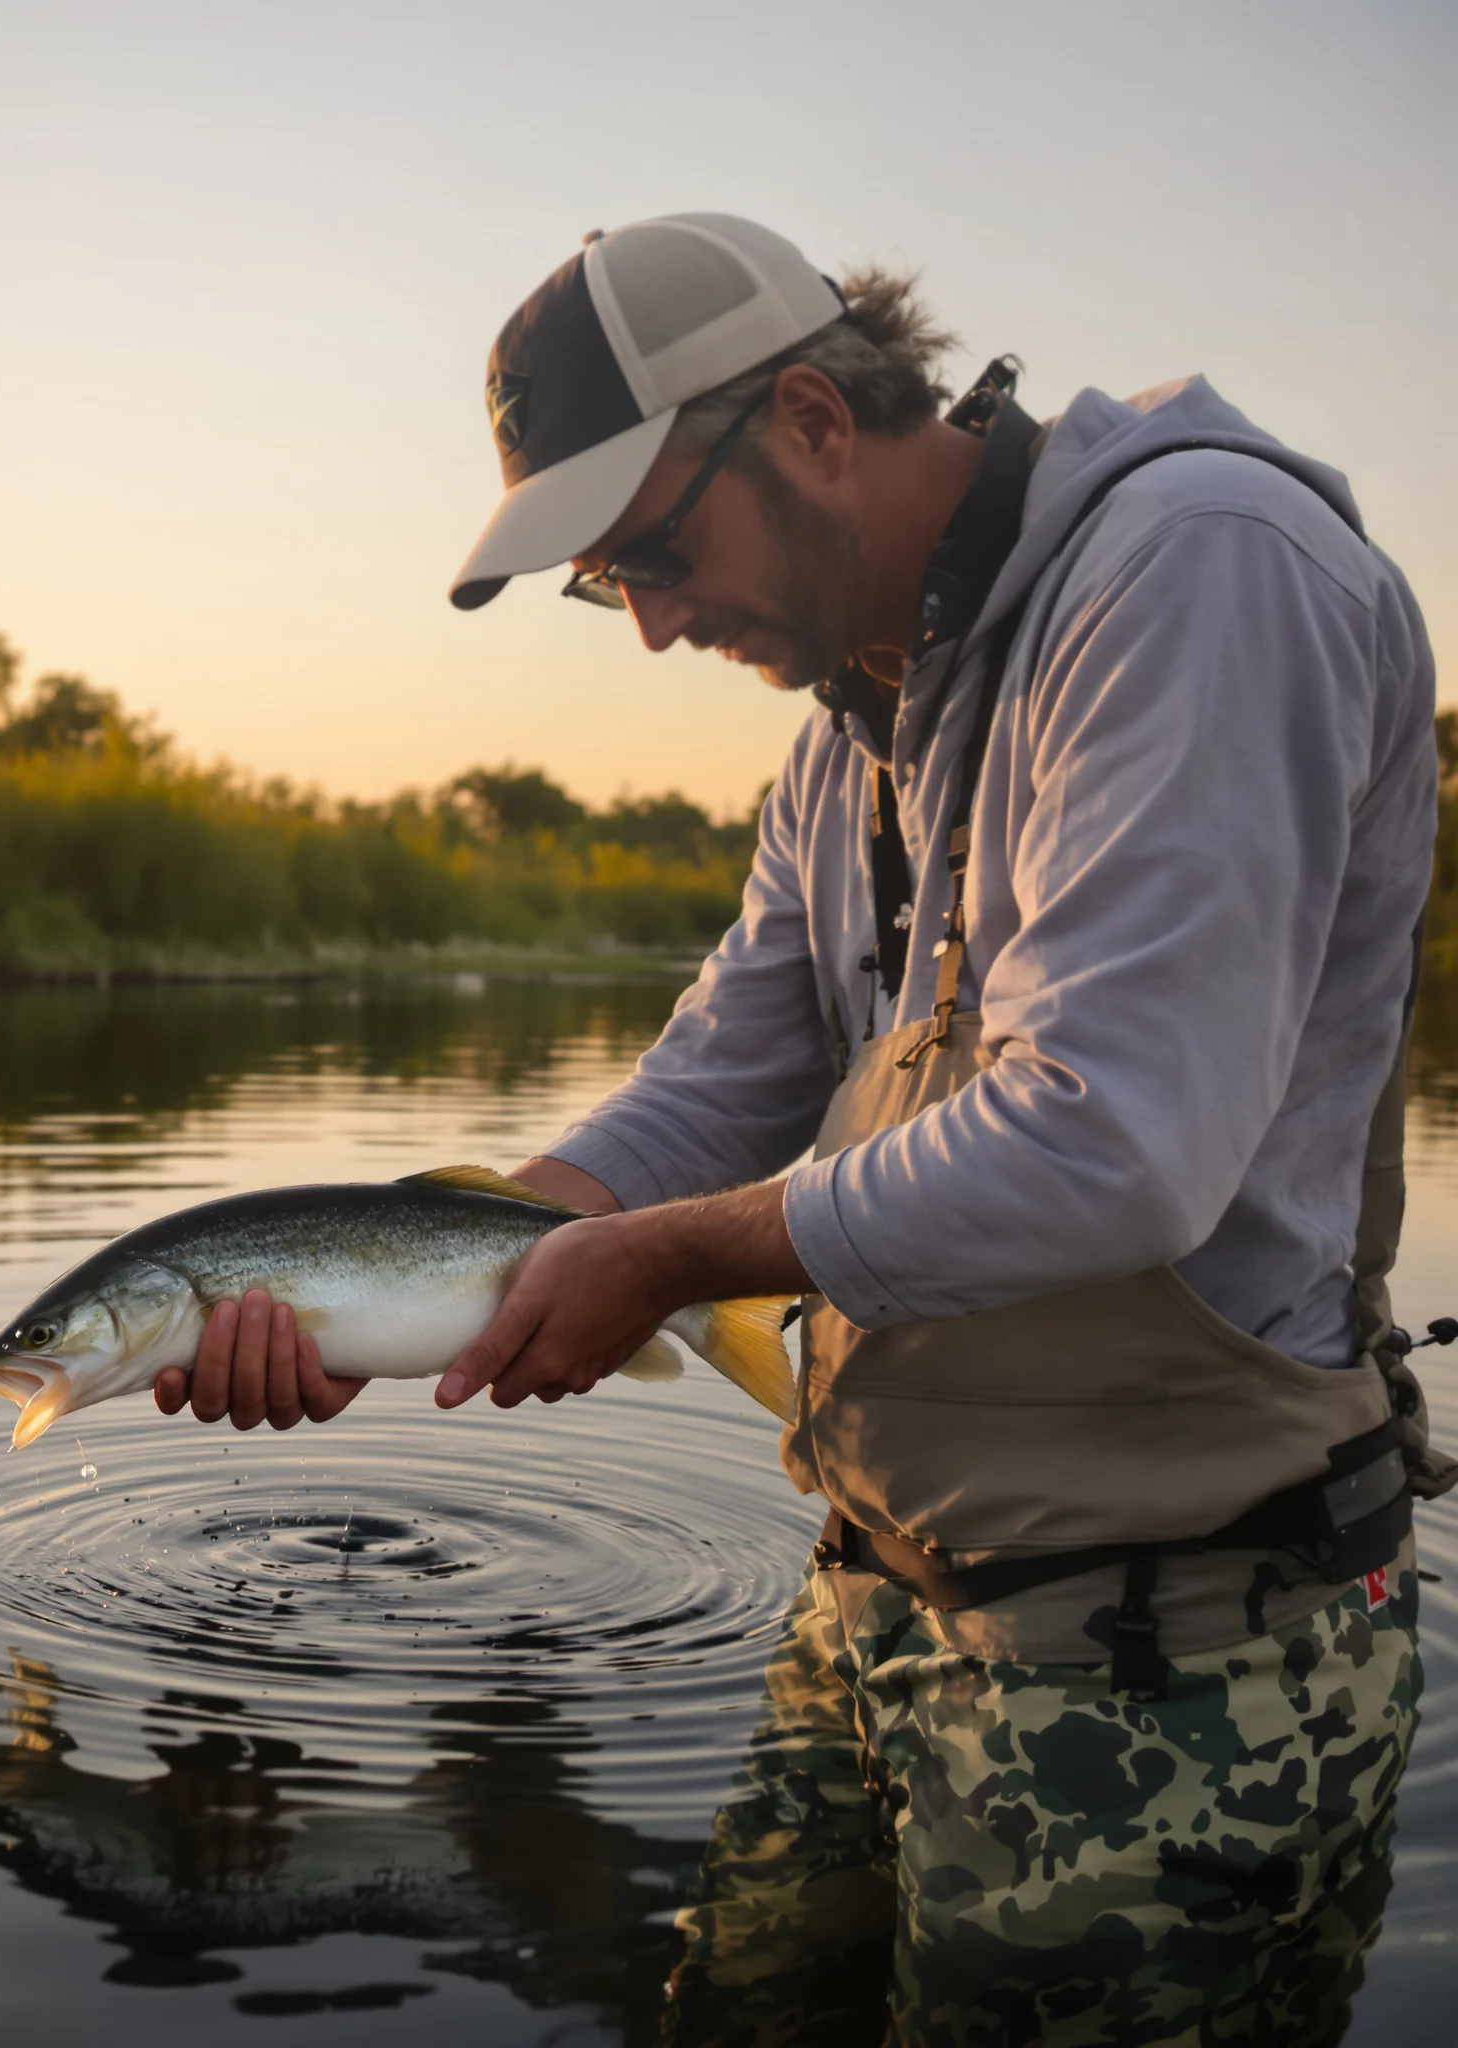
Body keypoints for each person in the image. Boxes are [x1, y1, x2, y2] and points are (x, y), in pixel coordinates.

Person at [154, 213, 1453, 2042]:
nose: (661, 623)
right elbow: (719, 1079)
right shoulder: (854, 727)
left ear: (818, 420)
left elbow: (1117, 1138)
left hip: (1175, 1670)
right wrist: (420, 1274)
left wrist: (669, 1257)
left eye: (663, 548)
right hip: (874, 1610)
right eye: (613, 584)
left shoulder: (1199, 579)